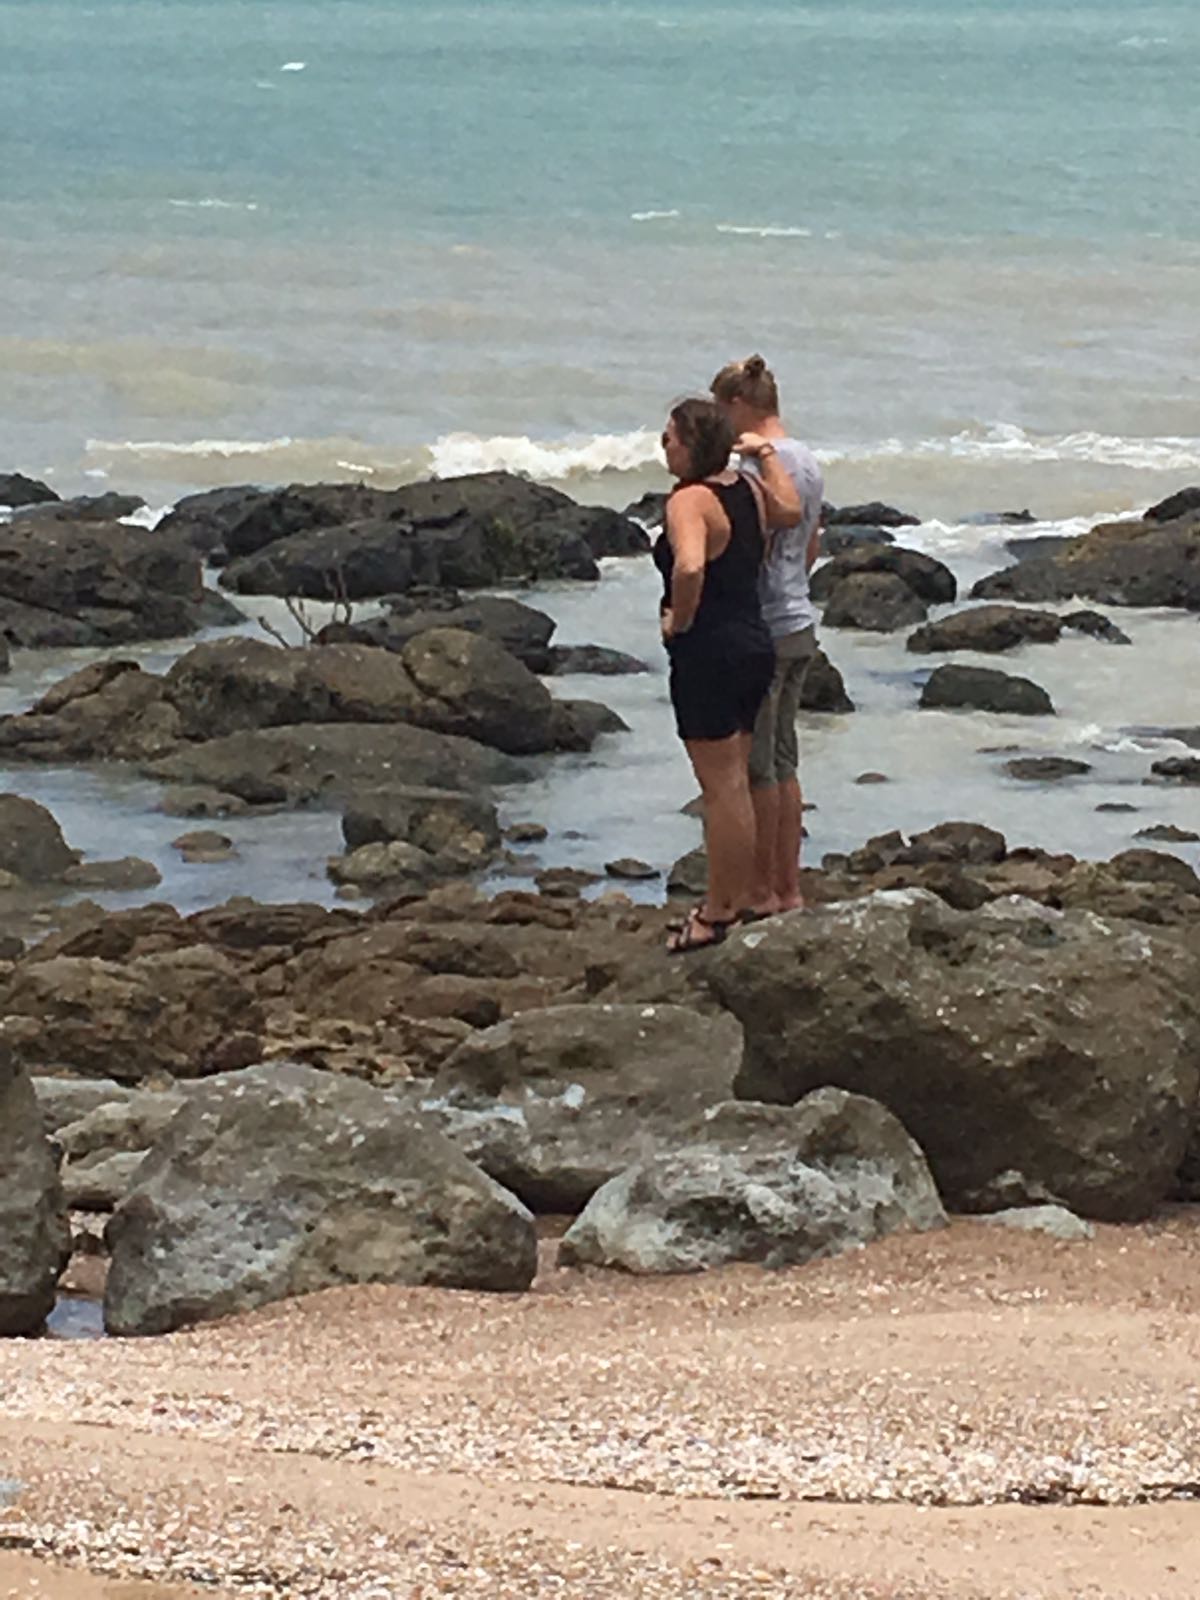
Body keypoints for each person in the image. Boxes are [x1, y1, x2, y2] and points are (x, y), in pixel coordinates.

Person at [654, 397, 803, 952]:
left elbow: (691, 564)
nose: (663, 447)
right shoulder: (750, 489)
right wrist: (767, 456)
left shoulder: (690, 500)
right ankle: (737, 900)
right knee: (736, 781)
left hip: (710, 650)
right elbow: (791, 511)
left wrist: (679, 619)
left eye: (669, 438)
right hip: (755, 643)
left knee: (720, 789)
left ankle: (717, 911)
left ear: (692, 445)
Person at [711, 355, 824, 914]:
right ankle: (788, 886)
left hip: (765, 624)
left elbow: (754, 539)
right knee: (784, 762)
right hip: (799, 616)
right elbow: (811, 544)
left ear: (738, 405)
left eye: (720, 410)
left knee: (758, 767)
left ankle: (761, 889)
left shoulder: (759, 466)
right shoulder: (808, 459)